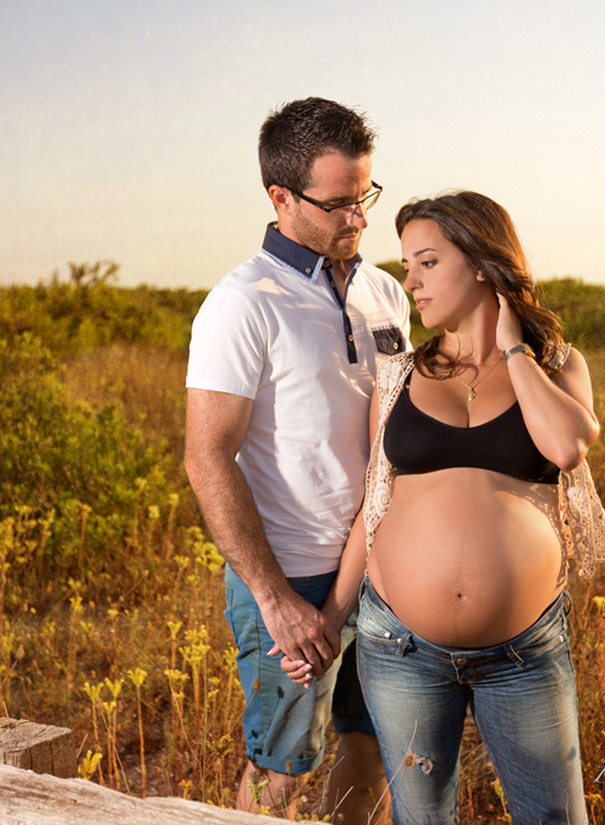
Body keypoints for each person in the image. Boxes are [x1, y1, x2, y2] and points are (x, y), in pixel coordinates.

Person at [282, 191, 599, 825]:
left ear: (482, 262)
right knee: (421, 817)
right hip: (399, 646)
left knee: (555, 817)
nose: (411, 281)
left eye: (427, 262)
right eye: (407, 264)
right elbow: (374, 508)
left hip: (524, 653)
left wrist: (513, 350)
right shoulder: (398, 375)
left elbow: (567, 446)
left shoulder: (555, 366)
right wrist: (329, 624)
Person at [184, 97, 411, 822]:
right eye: (340, 202)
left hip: (382, 565)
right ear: (281, 197)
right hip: (291, 575)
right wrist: (277, 601)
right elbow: (207, 457)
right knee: (279, 767)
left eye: (365, 195)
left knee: (371, 740)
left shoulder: (387, 295)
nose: (360, 218)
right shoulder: (242, 303)